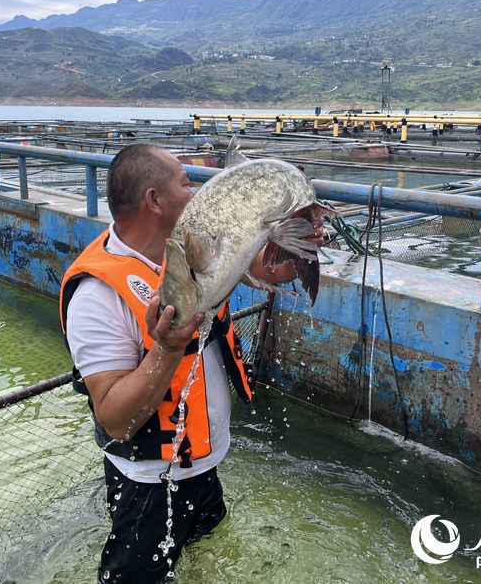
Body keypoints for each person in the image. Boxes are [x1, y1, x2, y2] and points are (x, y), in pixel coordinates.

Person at [58, 143, 324, 583]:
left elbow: (269, 271)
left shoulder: (189, 247)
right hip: (148, 484)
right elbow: (114, 417)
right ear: (154, 200)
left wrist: (299, 243)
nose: (200, 190)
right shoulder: (97, 294)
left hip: (202, 463)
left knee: (204, 554)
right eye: (185, 182)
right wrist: (165, 348)